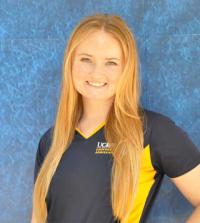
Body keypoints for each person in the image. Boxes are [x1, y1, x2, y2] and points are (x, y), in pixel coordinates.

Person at [31, 13, 200, 223]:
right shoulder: (51, 140)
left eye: (111, 63)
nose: (96, 73)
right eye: (86, 59)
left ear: (126, 70)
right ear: (70, 63)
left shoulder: (153, 132)